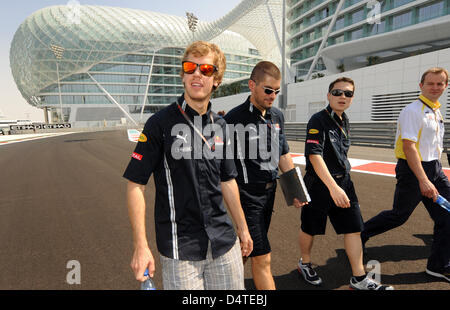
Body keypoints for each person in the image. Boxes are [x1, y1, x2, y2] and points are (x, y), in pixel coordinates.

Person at [123, 41, 253, 290]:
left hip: (224, 243)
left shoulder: (222, 126)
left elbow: (227, 181)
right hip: (179, 247)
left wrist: (243, 229)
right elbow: (135, 186)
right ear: (182, 74)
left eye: (206, 69)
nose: (197, 73)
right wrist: (141, 246)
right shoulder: (158, 124)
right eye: (190, 67)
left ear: (216, 79)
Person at [297, 77, 393, 290]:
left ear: (352, 98)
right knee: (310, 228)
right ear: (328, 95)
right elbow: (314, 156)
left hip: (344, 183)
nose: (343, 97)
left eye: (348, 94)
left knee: (354, 229)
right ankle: (304, 263)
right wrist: (333, 188)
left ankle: (359, 278)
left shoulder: (345, 120)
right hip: (319, 186)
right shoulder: (317, 120)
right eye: (338, 92)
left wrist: (341, 186)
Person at [361, 68, 450, 282]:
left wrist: (434, 173)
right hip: (413, 171)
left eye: (440, 84)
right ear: (421, 86)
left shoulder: (436, 111)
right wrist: (423, 180)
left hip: (434, 169)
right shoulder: (413, 110)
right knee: (399, 215)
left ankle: (438, 266)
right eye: (431, 83)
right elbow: (409, 147)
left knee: (448, 215)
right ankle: (359, 234)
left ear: (446, 86)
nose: (435, 87)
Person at [224, 61, 305, 290]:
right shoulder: (233, 119)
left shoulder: (277, 116)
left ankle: (221, 283)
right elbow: (222, 169)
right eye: (268, 90)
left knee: (246, 250)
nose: (273, 96)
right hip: (246, 198)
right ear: (252, 85)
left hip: (270, 195)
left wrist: (295, 191)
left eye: (277, 91)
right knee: (263, 257)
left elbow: (284, 155)